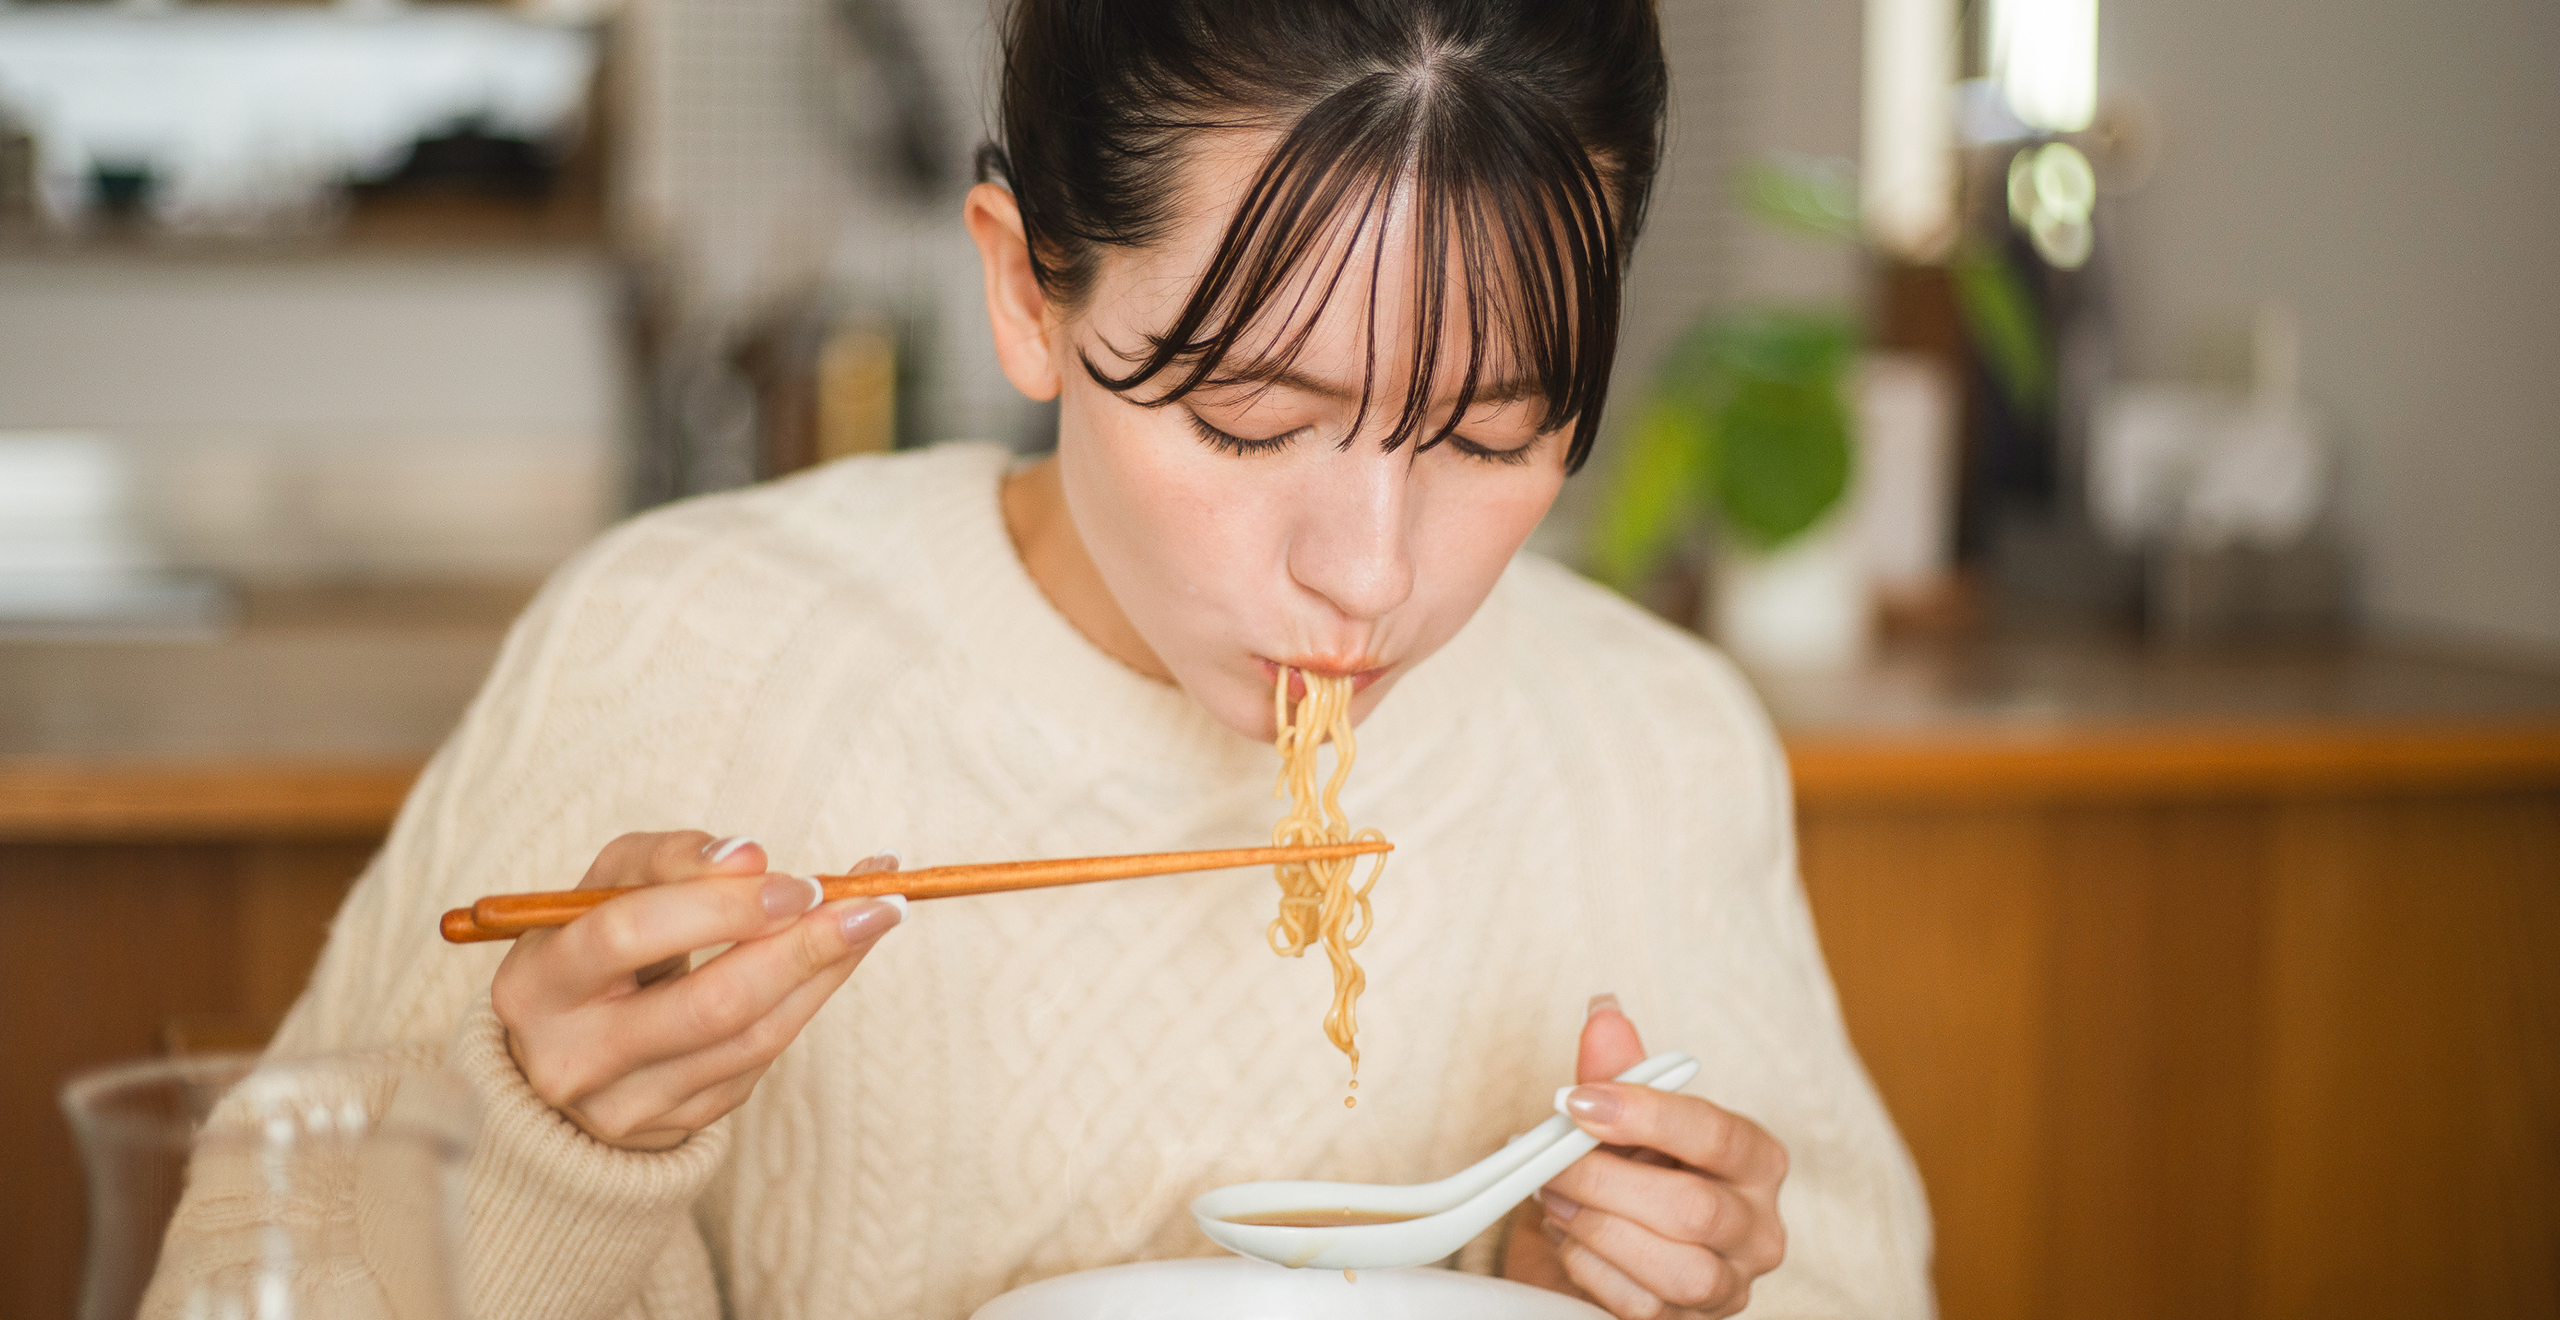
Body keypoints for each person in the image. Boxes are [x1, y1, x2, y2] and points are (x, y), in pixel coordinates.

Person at [153, 1, 1931, 1316]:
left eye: (1488, 435)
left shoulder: (1652, 743)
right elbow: (239, 1288)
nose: (1372, 573)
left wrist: (1623, 1290)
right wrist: (547, 1144)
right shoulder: (690, 653)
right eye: (1252, 419)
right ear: (1026, 292)